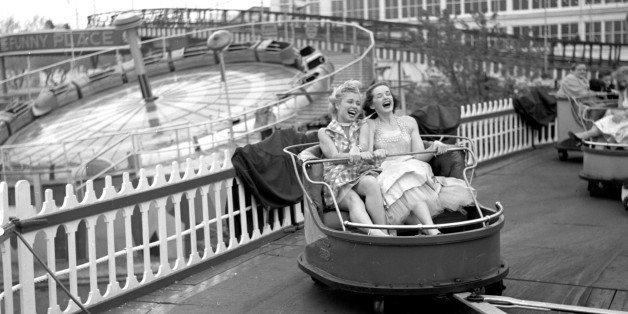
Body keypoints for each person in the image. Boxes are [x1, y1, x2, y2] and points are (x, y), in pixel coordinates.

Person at [360, 82, 475, 235]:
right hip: (387, 173)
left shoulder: (409, 122)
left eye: (388, 93)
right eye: (379, 96)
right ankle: (430, 230)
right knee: (406, 182)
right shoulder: (369, 124)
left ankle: (427, 230)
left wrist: (434, 147)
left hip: (413, 168)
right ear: (372, 105)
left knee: (410, 179)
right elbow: (365, 154)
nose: (386, 97)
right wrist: (376, 153)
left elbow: (419, 156)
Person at [317, 80, 388, 236]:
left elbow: (363, 146)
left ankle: (385, 231)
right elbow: (334, 156)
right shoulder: (325, 132)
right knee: (353, 199)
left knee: (371, 183)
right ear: (337, 105)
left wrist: (359, 149)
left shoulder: (362, 125)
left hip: (358, 172)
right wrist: (351, 154)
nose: (355, 106)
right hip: (337, 179)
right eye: (350, 102)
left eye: (357, 103)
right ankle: (379, 236)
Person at [569, 66, 628, 145]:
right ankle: (584, 140)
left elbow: (623, 110)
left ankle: (581, 136)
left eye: (624, 80)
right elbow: (620, 107)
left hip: (625, 118)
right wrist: (615, 112)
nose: (621, 82)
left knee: (608, 123)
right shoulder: (622, 91)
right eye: (620, 80)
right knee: (604, 122)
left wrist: (622, 114)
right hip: (624, 117)